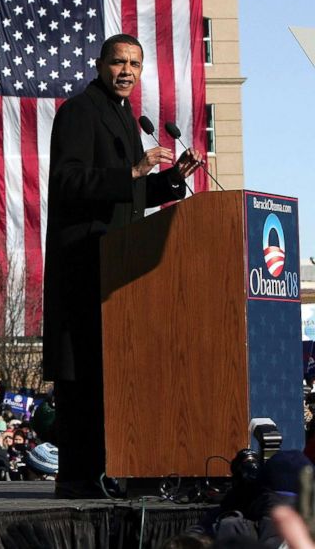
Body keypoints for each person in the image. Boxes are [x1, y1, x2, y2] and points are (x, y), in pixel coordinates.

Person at [43, 33, 204, 498]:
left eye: (134, 63)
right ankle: (78, 477)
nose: (127, 71)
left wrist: (171, 181)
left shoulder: (128, 121)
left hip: (119, 269)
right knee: (85, 378)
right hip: (84, 267)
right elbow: (68, 180)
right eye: (118, 62)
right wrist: (132, 173)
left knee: (115, 375)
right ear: (100, 64)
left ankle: (116, 469)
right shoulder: (78, 111)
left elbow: (128, 194)